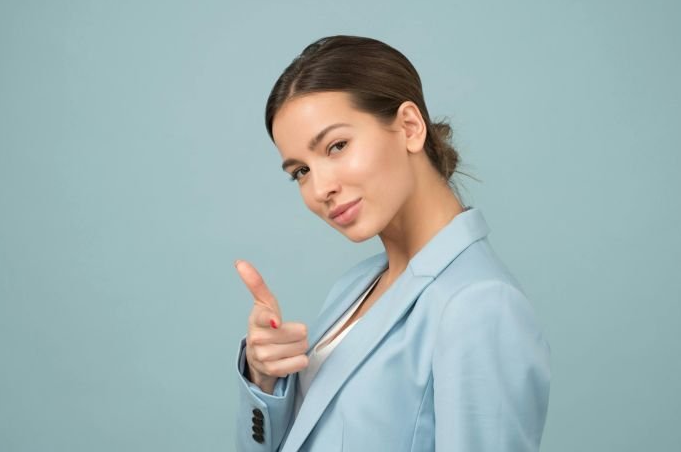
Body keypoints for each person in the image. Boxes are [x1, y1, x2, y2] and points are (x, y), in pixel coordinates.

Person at [233, 35, 550, 451]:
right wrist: (264, 377)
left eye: (336, 146)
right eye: (301, 172)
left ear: (409, 127)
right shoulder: (353, 286)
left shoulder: (479, 304)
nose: (320, 188)